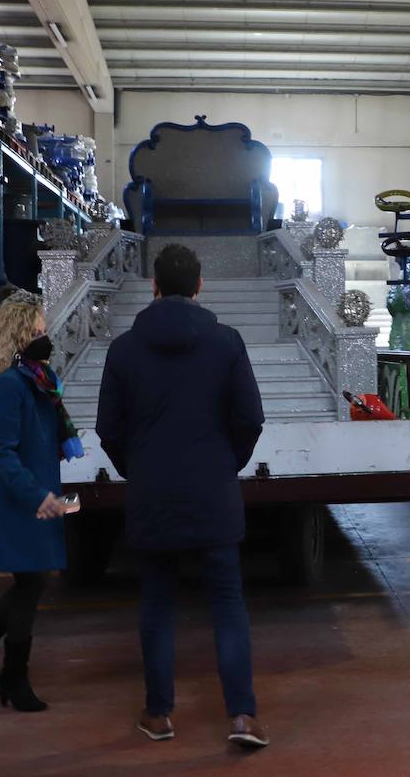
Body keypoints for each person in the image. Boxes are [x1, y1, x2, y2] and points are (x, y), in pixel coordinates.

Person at [96, 243, 268, 748]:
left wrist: (139, 468)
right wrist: (224, 464)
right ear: (198, 286)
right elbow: (250, 418)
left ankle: (158, 715)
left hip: (152, 493)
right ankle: (242, 717)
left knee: (156, 602)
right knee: (227, 602)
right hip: (212, 492)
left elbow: (108, 428)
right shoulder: (227, 343)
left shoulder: (124, 349)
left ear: (154, 286)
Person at [0, 291, 83, 713]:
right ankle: (12, 676)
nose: (46, 340)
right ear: (17, 338)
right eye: (38, 333)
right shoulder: (11, 385)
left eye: (45, 332)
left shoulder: (40, 380)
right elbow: (1, 451)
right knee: (32, 583)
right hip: (16, 499)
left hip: (35, 494)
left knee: (32, 582)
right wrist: (38, 496)